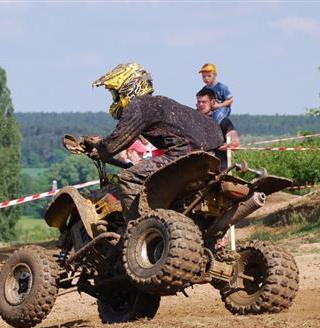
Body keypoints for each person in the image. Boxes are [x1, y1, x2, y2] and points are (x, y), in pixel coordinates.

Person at [91, 63, 224, 222]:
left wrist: (98, 148)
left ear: (129, 87)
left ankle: (137, 227)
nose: (115, 99)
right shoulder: (160, 102)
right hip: (212, 157)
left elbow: (114, 144)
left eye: (115, 94)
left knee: (128, 177)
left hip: (185, 155)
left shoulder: (138, 105)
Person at [196, 87, 240, 169]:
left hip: (219, 168)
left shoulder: (222, 121)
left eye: (204, 102)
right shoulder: (191, 120)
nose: (201, 104)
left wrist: (230, 144)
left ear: (212, 102)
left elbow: (235, 141)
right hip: (197, 168)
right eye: (199, 102)